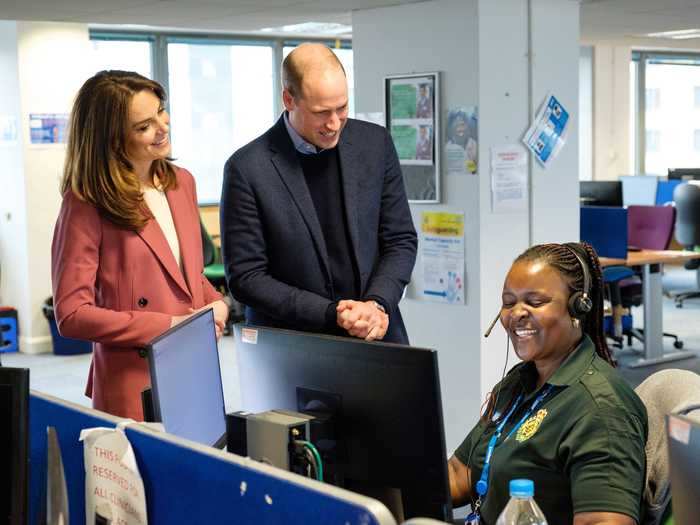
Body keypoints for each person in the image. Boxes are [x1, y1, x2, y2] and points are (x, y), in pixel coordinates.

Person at [51, 70, 228, 420]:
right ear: (113, 140)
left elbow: (186, 276)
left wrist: (217, 303)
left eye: (161, 111)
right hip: (133, 377)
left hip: (192, 365)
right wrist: (167, 326)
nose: (163, 127)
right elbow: (71, 314)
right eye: (144, 126)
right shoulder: (86, 201)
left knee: (197, 470)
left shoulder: (181, 182)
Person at [220, 43, 417, 344]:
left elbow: (400, 239)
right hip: (291, 345)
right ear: (289, 99)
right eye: (321, 112)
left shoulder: (374, 144)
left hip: (376, 333)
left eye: (342, 108)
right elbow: (247, 278)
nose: (334, 123)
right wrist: (331, 313)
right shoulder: (247, 169)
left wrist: (377, 304)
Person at [448, 242, 647, 525]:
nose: (516, 313)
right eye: (508, 302)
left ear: (578, 307)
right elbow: (459, 474)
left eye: (535, 302)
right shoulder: (519, 382)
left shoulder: (601, 411)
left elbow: (604, 520)